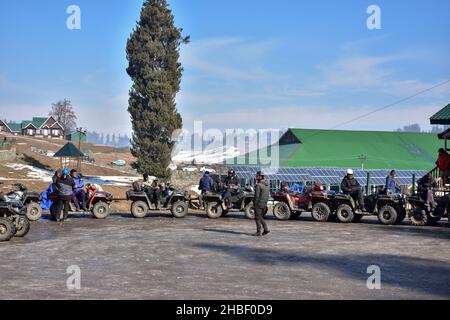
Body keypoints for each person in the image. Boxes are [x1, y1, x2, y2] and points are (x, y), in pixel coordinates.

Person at [253, 171, 270, 237]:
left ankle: (259, 232)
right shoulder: (267, 185)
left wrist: (255, 204)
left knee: (257, 217)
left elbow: (256, 196)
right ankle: (265, 229)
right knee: (260, 217)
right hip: (264, 204)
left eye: (257, 176)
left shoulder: (259, 185)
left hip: (259, 204)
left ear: (260, 177)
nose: (256, 177)